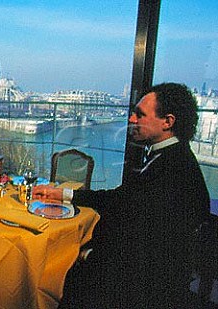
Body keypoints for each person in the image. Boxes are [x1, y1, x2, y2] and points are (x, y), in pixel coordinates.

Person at [34, 83, 210, 308]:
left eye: (140, 114)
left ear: (168, 122)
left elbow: (134, 241)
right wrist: (63, 194)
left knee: (51, 270)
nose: (131, 120)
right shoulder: (173, 158)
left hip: (135, 285)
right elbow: (121, 199)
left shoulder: (172, 170)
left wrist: (86, 254)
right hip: (150, 275)